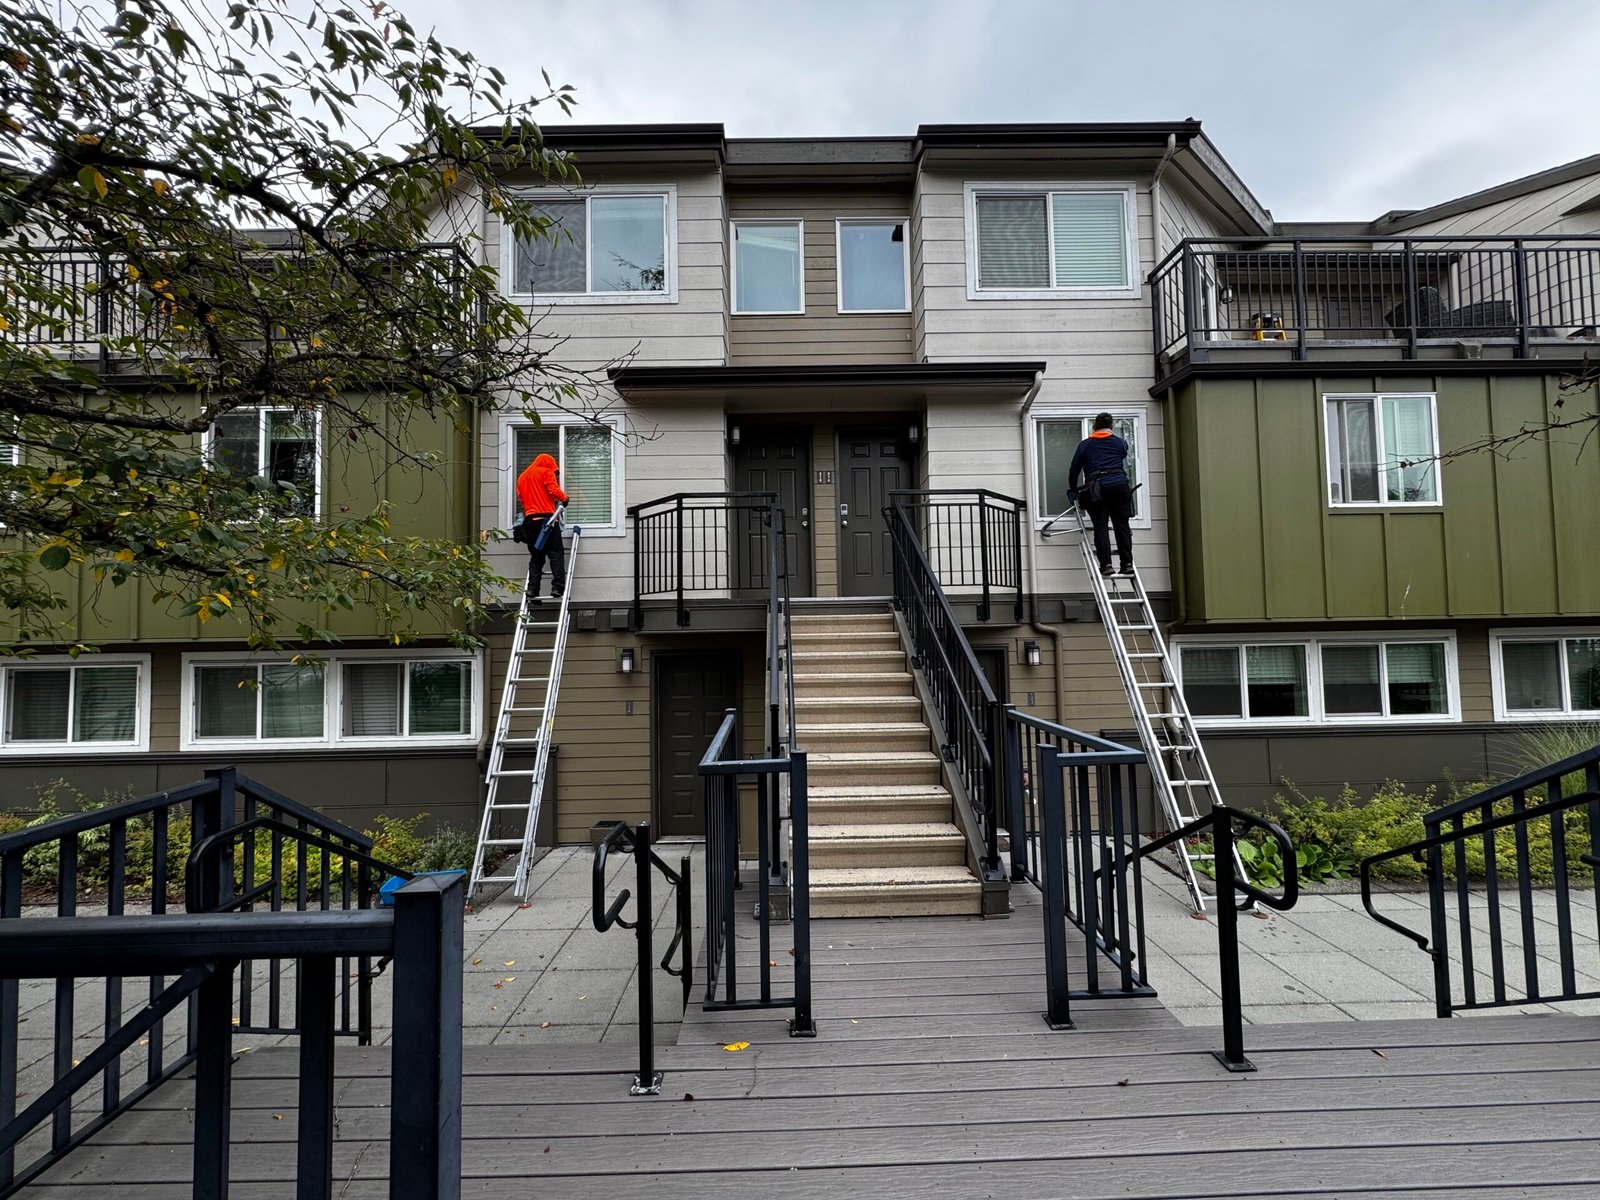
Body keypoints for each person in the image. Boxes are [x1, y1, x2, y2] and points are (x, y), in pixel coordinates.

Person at [1068, 413, 1133, 578]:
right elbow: (1124, 456)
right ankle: (1127, 564)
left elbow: (1074, 469)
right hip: (1119, 486)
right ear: (1111, 426)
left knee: (1101, 526)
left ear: (1094, 427)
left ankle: (1106, 565)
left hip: (1097, 489)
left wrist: (1073, 489)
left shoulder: (1086, 445)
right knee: (1122, 525)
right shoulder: (1120, 443)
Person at [516, 451, 568, 600]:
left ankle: (532, 589)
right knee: (555, 554)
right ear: (548, 464)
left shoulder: (522, 477)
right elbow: (553, 490)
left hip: (530, 522)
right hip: (547, 521)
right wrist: (565, 499)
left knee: (536, 557)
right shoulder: (545, 471)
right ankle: (557, 587)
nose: (555, 474)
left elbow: (522, 498)